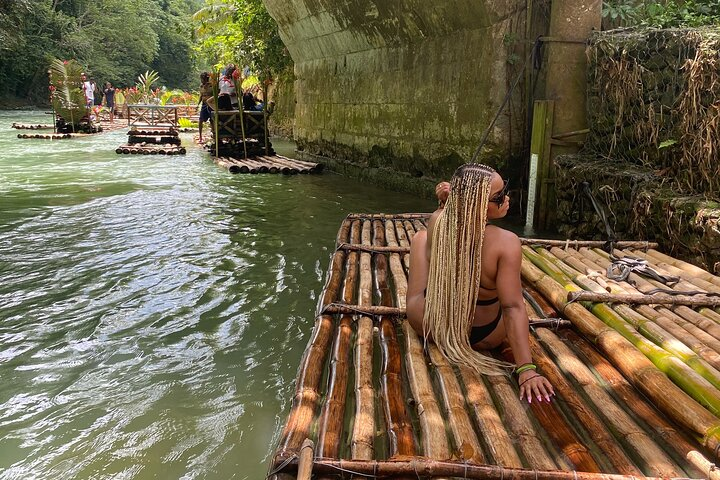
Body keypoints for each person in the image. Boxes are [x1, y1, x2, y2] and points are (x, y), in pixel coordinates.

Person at [406, 163, 554, 404]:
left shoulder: (438, 220)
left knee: (421, 239)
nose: (506, 198)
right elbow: (512, 307)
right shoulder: (507, 243)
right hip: (483, 335)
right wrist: (526, 368)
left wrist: (449, 200)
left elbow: (456, 218)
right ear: (477, 204)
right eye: (498, 196)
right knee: (513, 294)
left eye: (504, 189)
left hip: (430, 323)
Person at [198, 72, 213, 143]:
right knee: (201, 120)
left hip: (211, 105)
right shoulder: (201, 86)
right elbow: (201, 96)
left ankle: (214, 134)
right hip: (204, 104)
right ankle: (200, 136)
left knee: (212, 120)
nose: (201, 80)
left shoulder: (212, 85)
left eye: (202, 79)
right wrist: (198, 104)